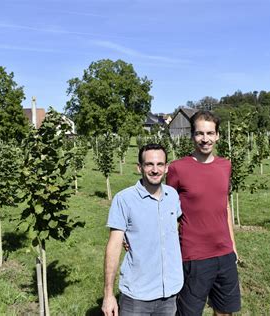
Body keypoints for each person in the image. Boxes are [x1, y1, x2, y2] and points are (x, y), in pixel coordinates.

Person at [167, 110, 241, 316]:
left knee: (224, 311)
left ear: (217, 135)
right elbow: (168, 212)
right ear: (192, 135)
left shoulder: (225, 166)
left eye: (210, 133)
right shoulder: (177, 169)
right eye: (200, 133)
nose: (205, 139)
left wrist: (232, 246)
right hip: (194, 256)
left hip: (224, 253)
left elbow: (224, 206)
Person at [102, 143, 183, 316]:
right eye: (149, 164)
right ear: (139, 167)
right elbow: (114, 247)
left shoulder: (172, 196)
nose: (155, 170)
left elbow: (174, 227)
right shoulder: (124, 200)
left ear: (166, 167)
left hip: (169, 292)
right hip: (137, 295)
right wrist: (108, 295)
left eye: (160, 164)